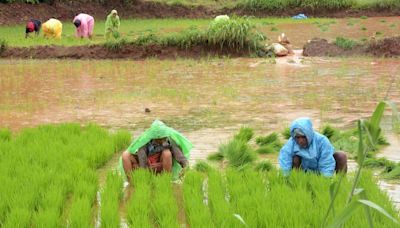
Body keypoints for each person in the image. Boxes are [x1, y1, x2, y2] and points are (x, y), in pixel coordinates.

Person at [121, 120, 191, 182]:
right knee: (125, 155)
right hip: (146, 164)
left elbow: (180, 156)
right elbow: (141, 155)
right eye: (158, 138)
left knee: (167, 153)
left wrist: (185, 166)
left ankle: (165, 181)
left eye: (162, 138)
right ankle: (132, 183)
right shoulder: (145, 141)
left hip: (161, 165)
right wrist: (145, 170)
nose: (160, 140)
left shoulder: (169, 141)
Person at [279, 117, 347, 177]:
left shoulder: (322, 141)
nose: (300, 141)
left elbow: (326, 161)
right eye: (297, 137)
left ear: (308, 134)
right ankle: (297, 182)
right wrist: (285, 178)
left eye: (303, 137)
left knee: (341, 156)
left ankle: (341, 183)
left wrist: (325, 179)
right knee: (295, 158)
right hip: (303, 171)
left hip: (319, 170)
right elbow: (285, 159)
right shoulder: (292, 142)